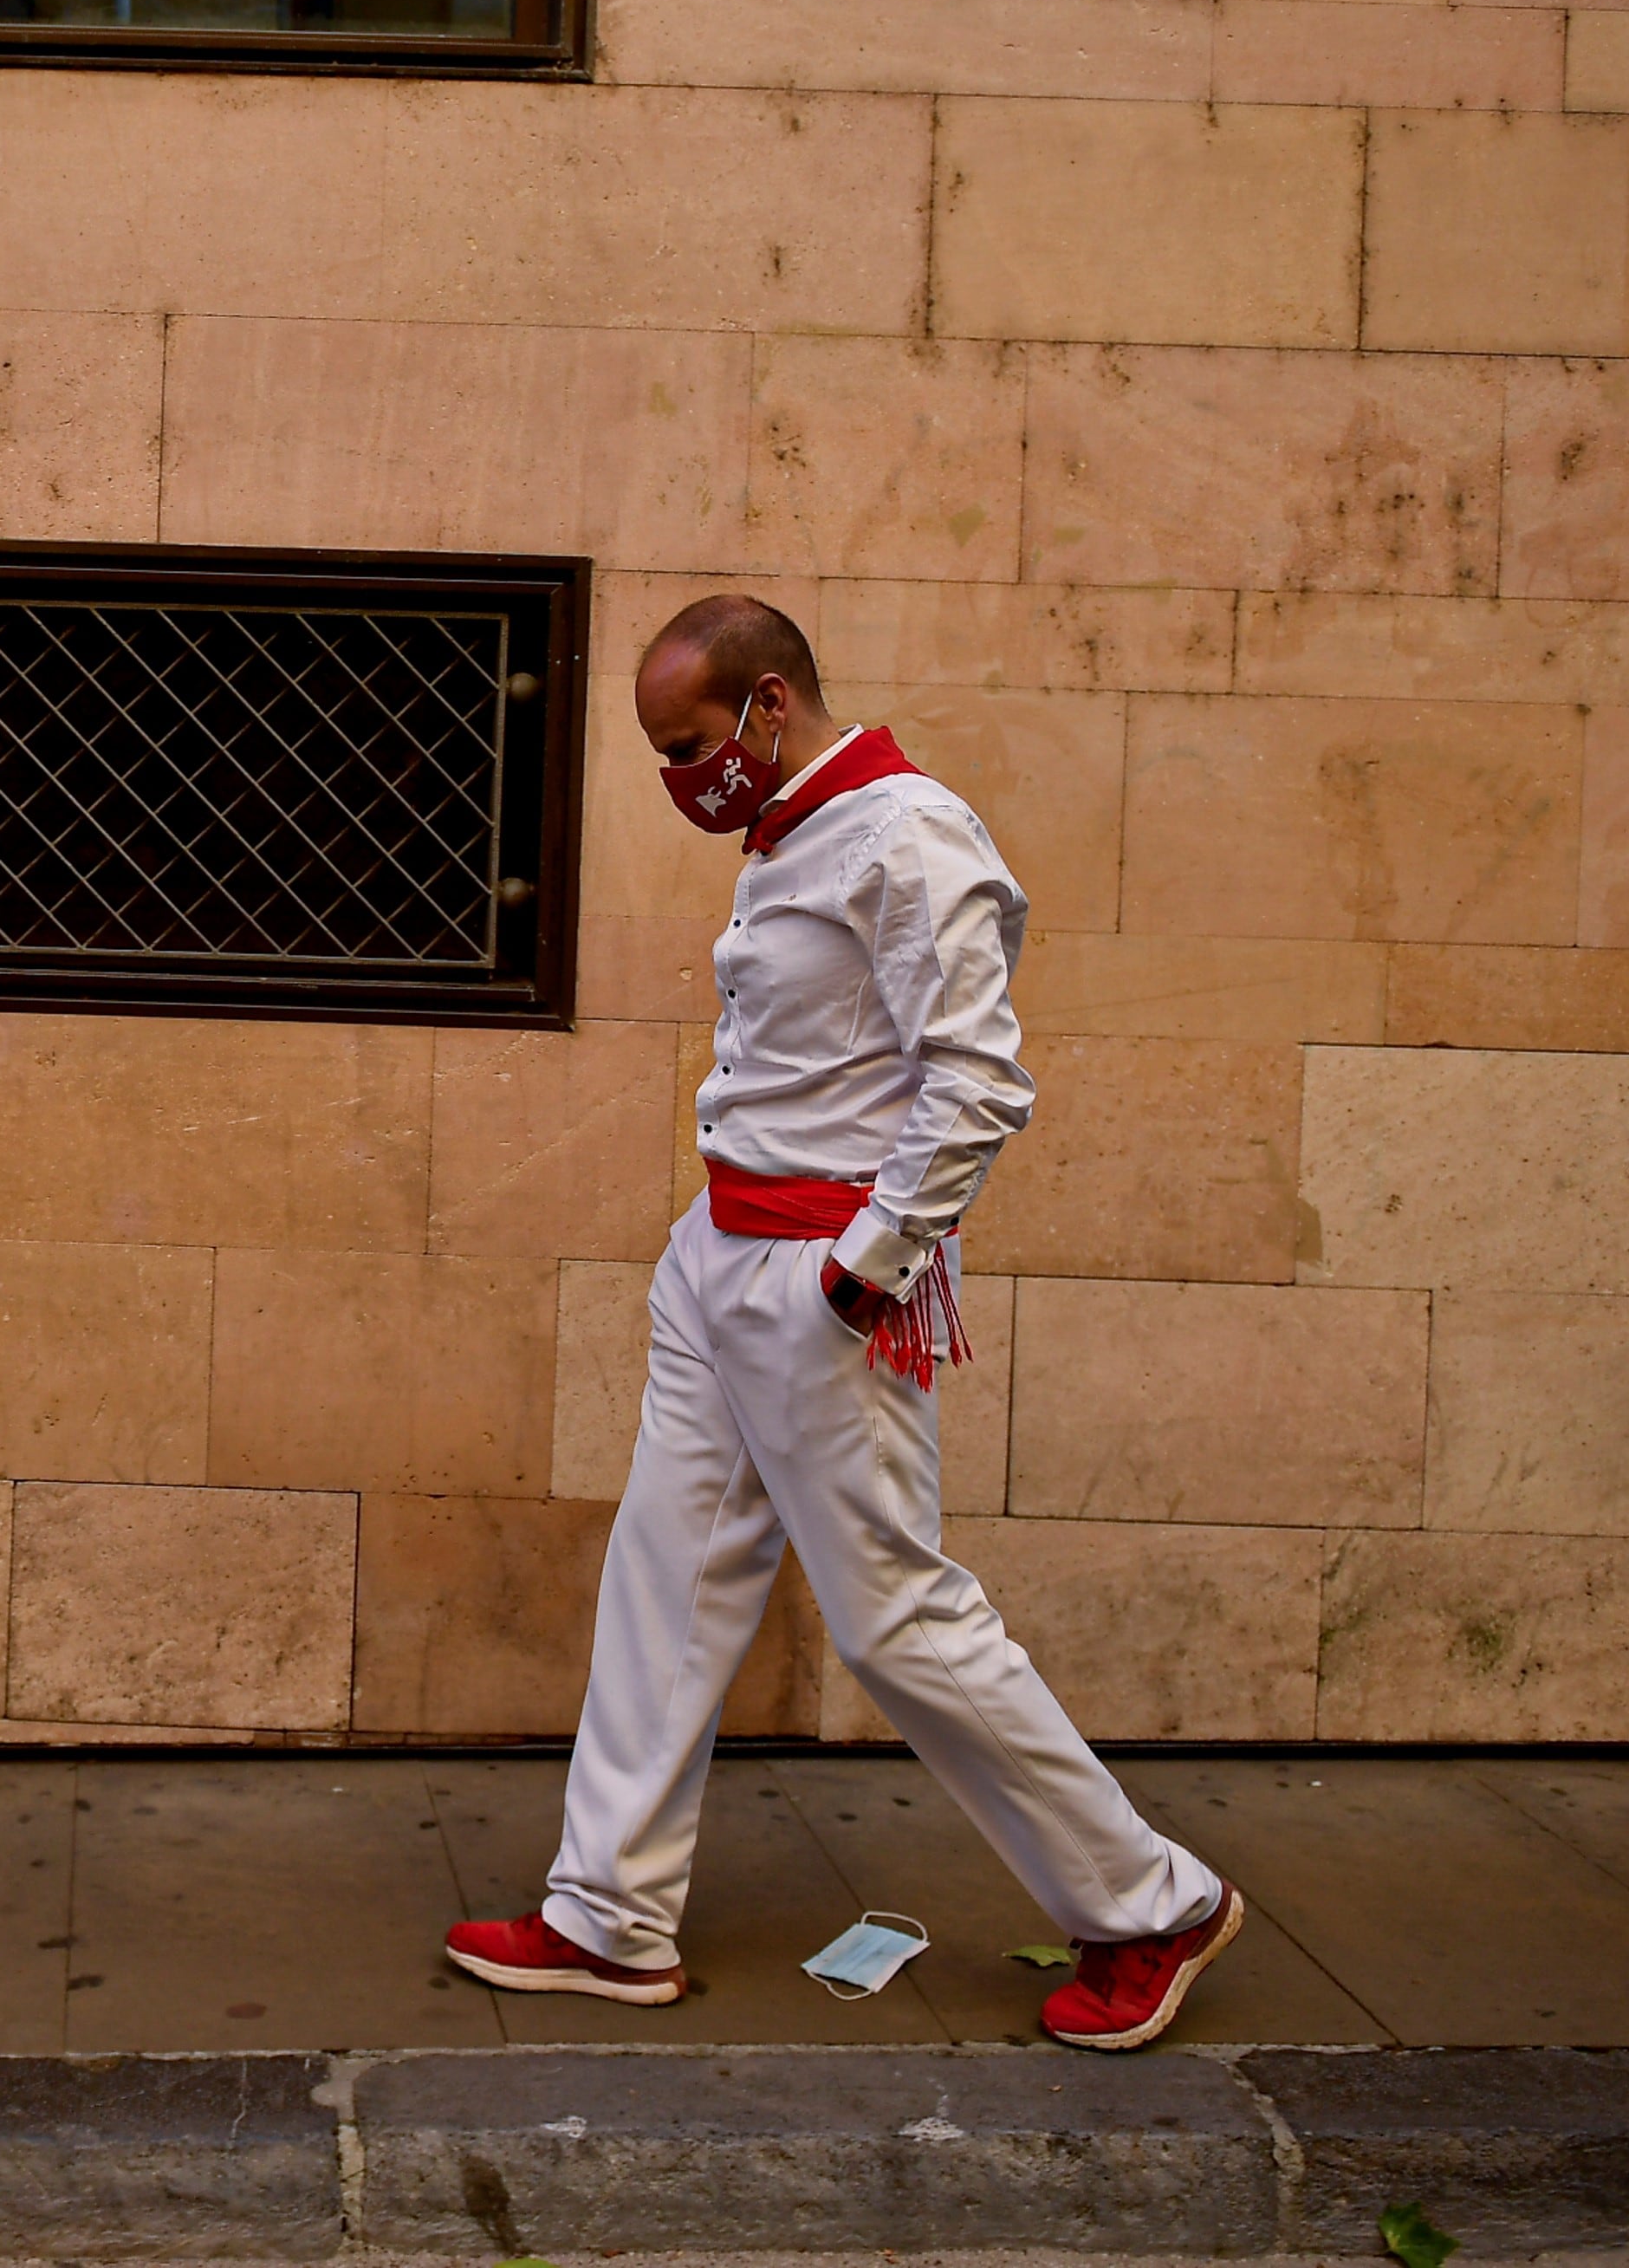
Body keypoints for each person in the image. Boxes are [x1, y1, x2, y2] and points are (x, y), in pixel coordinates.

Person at [442, 594, 1243, 2052]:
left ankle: (1152, 1905)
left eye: (689, 745)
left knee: (895, 1616)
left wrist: (865, 1271)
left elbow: (980, 1083)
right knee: (667, 1566)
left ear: (765, 704)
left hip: (819, 1276)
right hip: (723, 1252)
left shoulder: (907, 833)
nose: (681, 778)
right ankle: (607, 1917)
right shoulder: (799, 834)